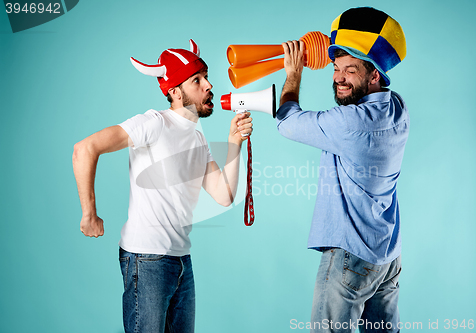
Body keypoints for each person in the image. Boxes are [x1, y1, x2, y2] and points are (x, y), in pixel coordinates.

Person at [72, 39, 253, 333]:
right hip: (147, 260)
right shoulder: (153, 123)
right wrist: (88, 214)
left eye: (206, 77)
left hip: (182, 260)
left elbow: (223, 195)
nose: (208, 85)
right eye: (197, 80)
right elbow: (85, 148)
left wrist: (234, 141)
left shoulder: (197, 137)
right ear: (174, 91)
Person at [277, 7, 409, 333]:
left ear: (375, 74)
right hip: (387, 256)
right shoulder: (396, 108)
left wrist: (293, 73)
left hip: (350, 257)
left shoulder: (350, 123)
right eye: (336, 68)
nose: (338, 78)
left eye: (350, 70)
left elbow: (286, 123)